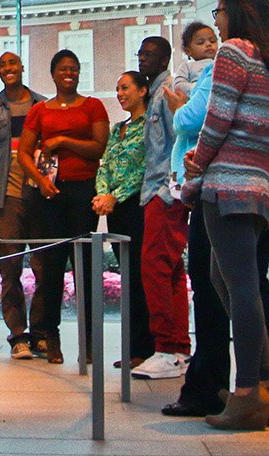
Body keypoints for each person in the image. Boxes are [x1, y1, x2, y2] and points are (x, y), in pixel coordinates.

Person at [162, 20, 269, 423]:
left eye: (219, 13)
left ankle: (246, 394)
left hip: (230, 183)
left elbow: (209, 118)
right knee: (243, 283)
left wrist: (195, 164)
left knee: (232, 285)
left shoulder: (236, 53)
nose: (216, 26)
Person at [16, 49, 109, 364]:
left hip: (83, 192)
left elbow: (99, 147)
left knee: (85, 267)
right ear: (53, 74)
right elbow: (24, 154)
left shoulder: (93, 106)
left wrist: (63, 141)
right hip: (49, 196)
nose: (69, 73)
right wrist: (40, 182)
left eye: (74, 68)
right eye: (63, 69)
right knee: (52, 269)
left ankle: (91, 341)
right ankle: (49, 337)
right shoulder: (40, 110)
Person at [0, 51, 43, 359]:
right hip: (6, 198)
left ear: (22, 67)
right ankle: (18, 336)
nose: (9, 69)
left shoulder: (41, 106)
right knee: (10, 269)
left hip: (39, 197)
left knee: (44, 268)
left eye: (13, 63)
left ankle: (42, 333)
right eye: (3, 65)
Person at [131, 35, 190, 381]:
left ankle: (167, 349)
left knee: (155, 268)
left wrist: (170, 191)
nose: (142, 58)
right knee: (169, 271)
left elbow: (178, 138)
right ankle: (178, 348)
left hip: (163, 192)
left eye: (150, 54)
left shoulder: (166, 92)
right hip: (156, 191)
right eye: (140, 53)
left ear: (166, 58)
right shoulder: (153, 91)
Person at [91, 71, 153, 369]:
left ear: (143, 91)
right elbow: (105, 165)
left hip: (137, 208)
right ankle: (132, 349)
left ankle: (146, 348)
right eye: (117, 89)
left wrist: (116, 196)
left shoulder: (151, 126)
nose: (120, 93)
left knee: (140, 279)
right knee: (127, 279)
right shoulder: (118, 129)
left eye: (125, 88)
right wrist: (103, 194)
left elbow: (145, 169)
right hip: (114, 211)